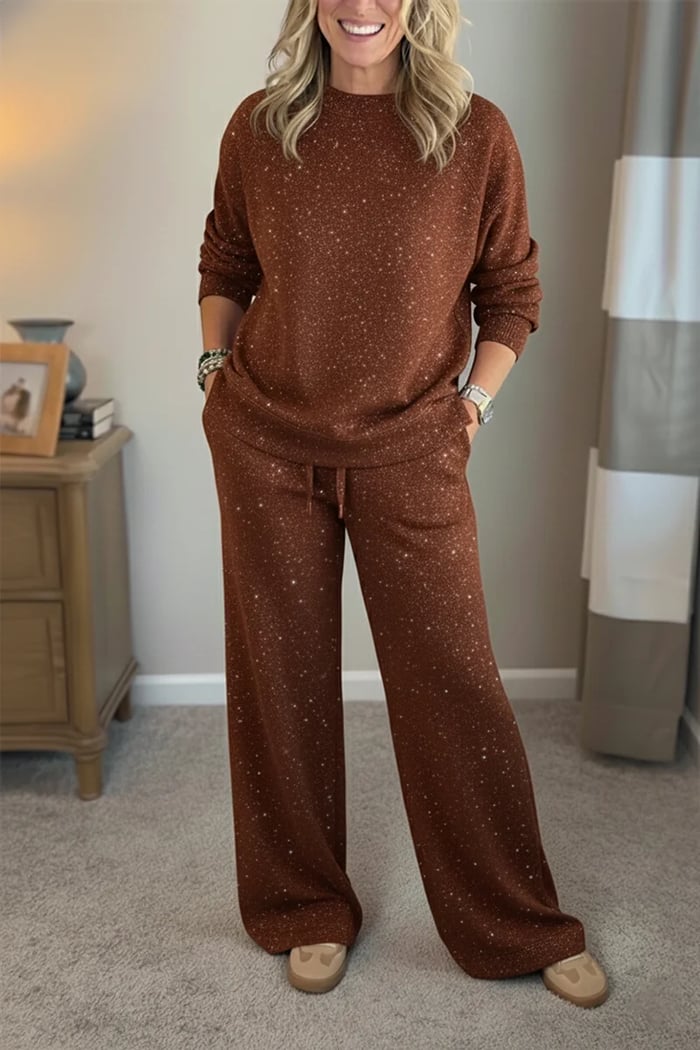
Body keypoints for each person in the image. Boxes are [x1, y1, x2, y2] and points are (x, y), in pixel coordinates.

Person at [197, 0, 609, 1008]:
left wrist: (471, 409)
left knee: (454, 685)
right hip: (265, 444)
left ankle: (517, 922)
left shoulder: (476, 135)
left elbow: (511, 291)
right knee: (279, 684)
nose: (362, 5)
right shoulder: (259, 127)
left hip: (411, 448)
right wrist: (214, 372)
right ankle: (303, 905)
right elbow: (226, 262)